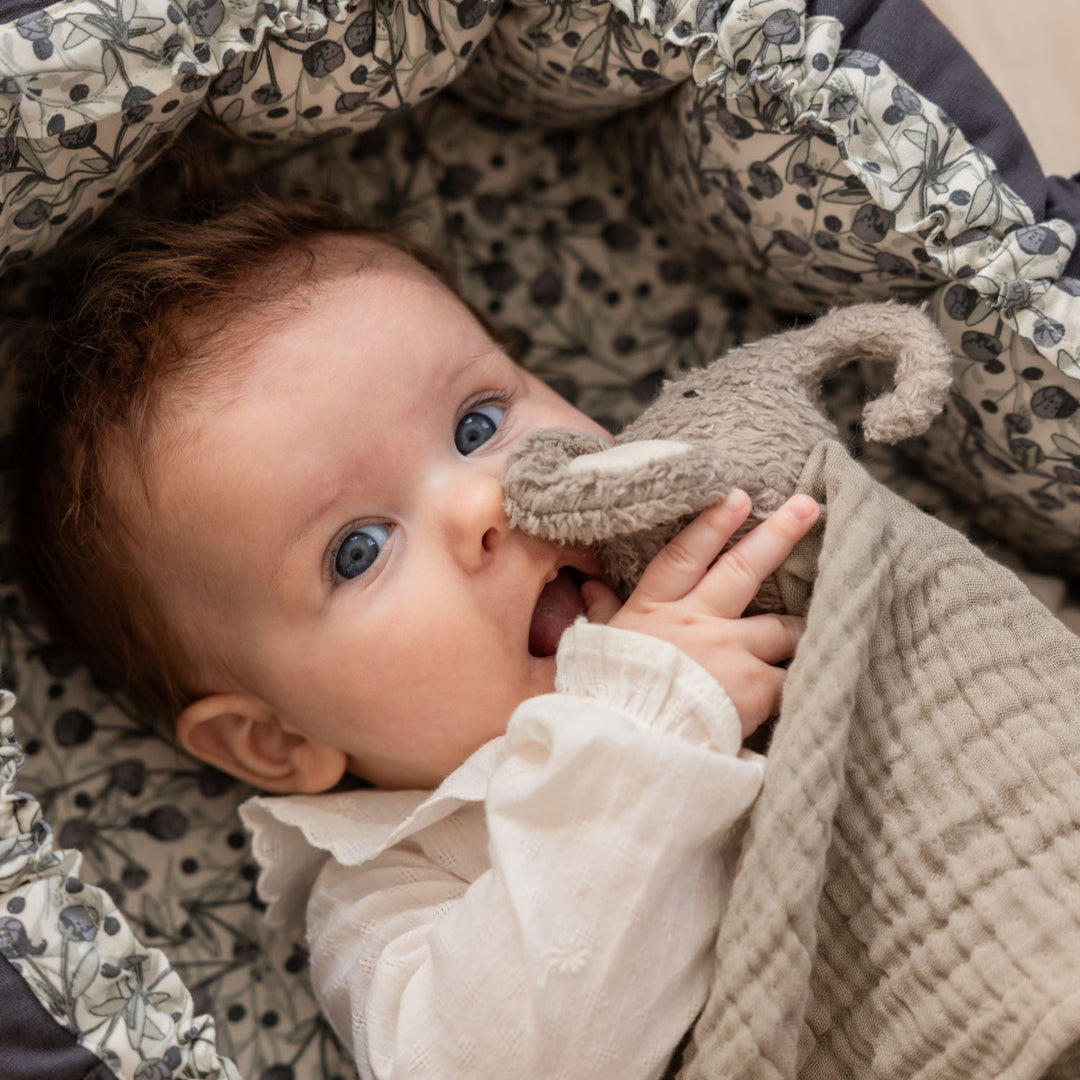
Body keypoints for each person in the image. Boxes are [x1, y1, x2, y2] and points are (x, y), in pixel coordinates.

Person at [16, 194, 818, 1080]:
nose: (484, 502)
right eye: (357, 551)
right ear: (276, 740)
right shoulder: (393, 890)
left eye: (479, 424)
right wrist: (646, 722)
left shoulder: (737, 536)